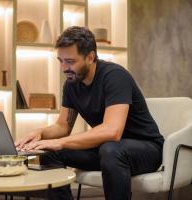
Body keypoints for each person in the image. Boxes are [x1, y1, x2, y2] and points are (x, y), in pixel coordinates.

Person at [15, 26, 164, 200]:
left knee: (111, 149)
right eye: (60, 61)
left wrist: (61, 142)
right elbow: (62, 126)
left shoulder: (114, 76)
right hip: (106, 149)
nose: (64, 68)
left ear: (90, 57)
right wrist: (40, 134)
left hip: (147, 149)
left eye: (70, 61)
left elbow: (112, 131)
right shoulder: (71, 84)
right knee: (50, 152)